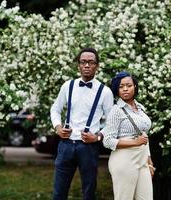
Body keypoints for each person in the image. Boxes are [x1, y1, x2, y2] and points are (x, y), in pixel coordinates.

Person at [50, 47, 114, 200]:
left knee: (88, 192)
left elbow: (112, 122)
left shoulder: (105, 92)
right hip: (65, 145)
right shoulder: (68, 86)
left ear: (97, 66)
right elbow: (55, 108)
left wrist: (98, 137)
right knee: (59, 192)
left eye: (91, 62)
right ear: (78, 65)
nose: (87, 65)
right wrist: (58, 127)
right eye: (83, 62)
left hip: (88, 148)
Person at [102, 71, 155, 200]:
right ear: (117, 89)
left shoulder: (140, 108)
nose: (125, 89)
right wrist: (135, 143)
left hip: (142, 161)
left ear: (135, 87)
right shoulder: (116, 111)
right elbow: (107, 141)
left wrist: (149, 160)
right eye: (121, 86)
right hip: (124, 161)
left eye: (129, 85)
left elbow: (143, 136)